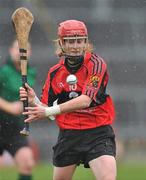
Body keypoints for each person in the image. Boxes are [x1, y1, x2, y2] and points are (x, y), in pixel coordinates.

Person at [20, 20, 117, 180]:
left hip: (98, 133)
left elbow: (85, 100)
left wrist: (48, 111)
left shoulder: (96, 64)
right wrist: (33, 99)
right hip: (69, 134)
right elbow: (48, 111)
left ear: (86, 42)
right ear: (61, 43)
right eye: (70, 41)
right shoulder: (55, 72)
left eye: (80, 41)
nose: (75, 46)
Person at [0, 39, 36, 180]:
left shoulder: (30, 73)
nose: (20, 52)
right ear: (10, 51)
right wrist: (9, 107)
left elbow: (28, 98)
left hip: (16, 127)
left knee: (27, 162)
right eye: (17, 48)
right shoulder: (3, 71)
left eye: (25, 50)